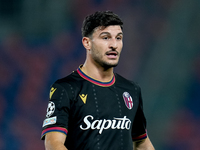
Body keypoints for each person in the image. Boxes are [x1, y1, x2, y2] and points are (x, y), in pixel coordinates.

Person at [41, 11, 155, 150]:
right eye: (105, 38)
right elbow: (53, 143)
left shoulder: (131, 90)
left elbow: (142, 142)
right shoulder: (66, 88)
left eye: (118, 38)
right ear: (87, 43)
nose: (114, 45)